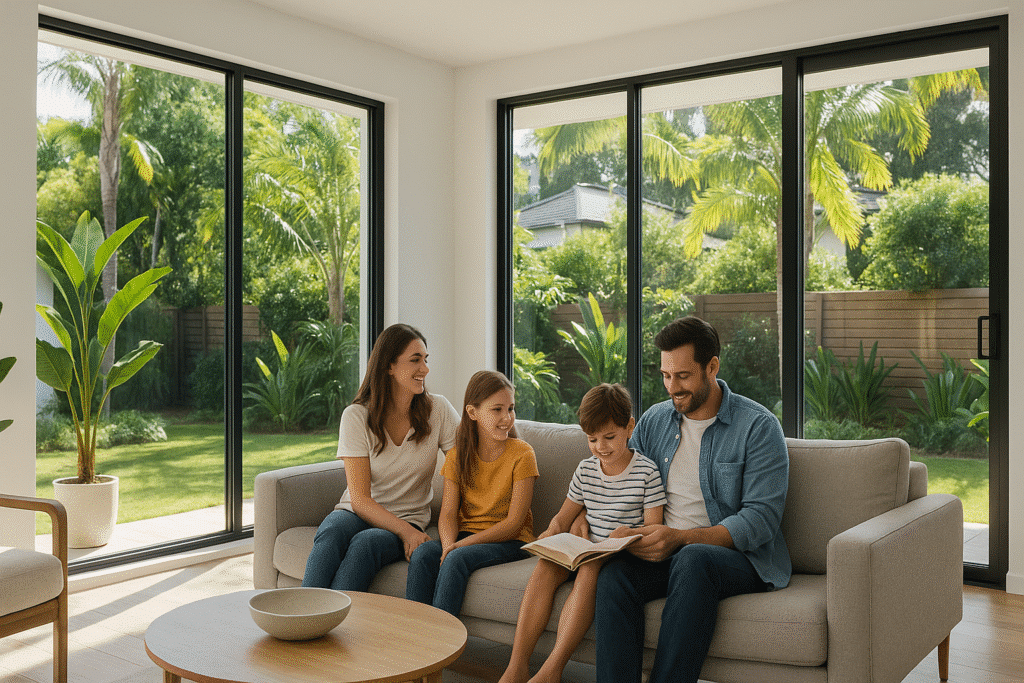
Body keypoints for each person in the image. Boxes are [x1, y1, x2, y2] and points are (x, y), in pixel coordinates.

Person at [592, 316, 791, 683]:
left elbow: (760, 520)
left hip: (735, 558)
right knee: (615, 574)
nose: (672, 387)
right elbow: (626, 484)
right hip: (664, 551)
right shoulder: (654, 421)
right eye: (666, 376)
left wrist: (682, 539)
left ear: (712, 366)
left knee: (694, 558)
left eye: (682, 376)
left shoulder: (758, 427)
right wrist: (621, 531)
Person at [499, 383, 665, 683]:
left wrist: (630, 532)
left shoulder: (647, 472)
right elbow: (563, 517)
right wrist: (548, 534)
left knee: (589, 570)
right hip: (584, 547)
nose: (601, 447)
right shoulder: (586, 470)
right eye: (592, 439)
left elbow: (655, 528)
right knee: (545, 567)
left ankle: (553, 669)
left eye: (609, 437)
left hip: (617, 555)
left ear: (629, 427)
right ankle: (517, 665)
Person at [302, 323, 459, 591]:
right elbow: (360, 500)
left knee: (367, 544)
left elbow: (467, 459)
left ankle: (336, 623)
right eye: (415, 360)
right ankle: (301, 617)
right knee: (332, 531)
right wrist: (408, 535)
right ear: (389, 366)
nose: (425, 369)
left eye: (425, 359)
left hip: (408, 515)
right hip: (357, 511)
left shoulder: (438, 409)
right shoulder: (356, 416)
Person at [406, 370, 539, 616]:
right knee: (424, 553)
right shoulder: (457, 455)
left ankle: (442, 645)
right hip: (466, 535)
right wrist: (448, 545)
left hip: (511, 541)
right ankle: (416, 639)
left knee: (458, 558)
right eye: (497, 409)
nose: (507, 418)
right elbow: (447, 514)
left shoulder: (523, 454)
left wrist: (461, 546)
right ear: (472, 413)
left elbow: (514, 523)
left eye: (510, 408)